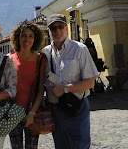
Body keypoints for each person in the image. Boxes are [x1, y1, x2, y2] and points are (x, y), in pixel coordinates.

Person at [41, 14, 98, 149]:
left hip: (77, 107)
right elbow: (43, 80)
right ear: (49, 31)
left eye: (60, 26)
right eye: (53, 28)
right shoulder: (45, 53)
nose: (57, 31)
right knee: (61, 145)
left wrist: (66, 89)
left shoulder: (80, 49)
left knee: (80, 145)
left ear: (66, 28)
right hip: (56, 108)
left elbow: (90, 82)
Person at [8, 20, 47, 149]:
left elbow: (41, 90)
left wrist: (32, 113)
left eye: (31, 36)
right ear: (17, 37)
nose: (27, 39)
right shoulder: (10, 59)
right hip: (12, 113)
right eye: (23, 35)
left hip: (32, 112)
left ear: (35, 39)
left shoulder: (40, 59)